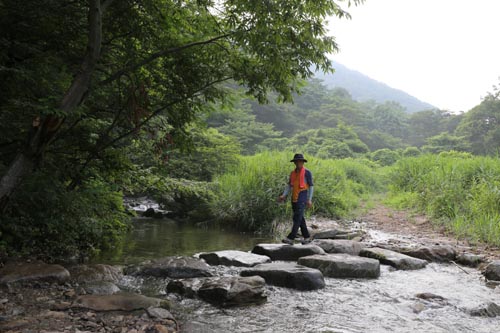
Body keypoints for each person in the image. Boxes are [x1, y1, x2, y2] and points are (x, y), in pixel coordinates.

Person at [278, 153, 314, 245]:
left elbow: (311, 187)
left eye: (300, 161)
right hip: (294, 198)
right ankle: (307, 237)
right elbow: (289, 186)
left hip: (302, 197)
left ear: (302, 162)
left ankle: (291, 238)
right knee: (300, 218)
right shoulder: (293, 173)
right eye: (296, 161)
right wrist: (284, 195)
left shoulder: (307, 172)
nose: (298, 163)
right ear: (294, 163)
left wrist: (309, 199)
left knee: (297, 218)